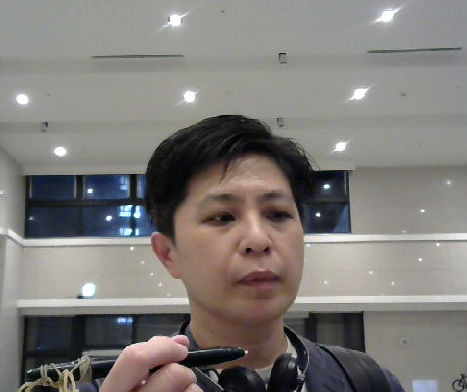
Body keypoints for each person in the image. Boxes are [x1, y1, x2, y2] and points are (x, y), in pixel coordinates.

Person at [98, 115, 405, 392]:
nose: (258, 240)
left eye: (278, 214)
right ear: (168, 254)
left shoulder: (366, 381)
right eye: (223, 217)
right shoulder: (117, 387)